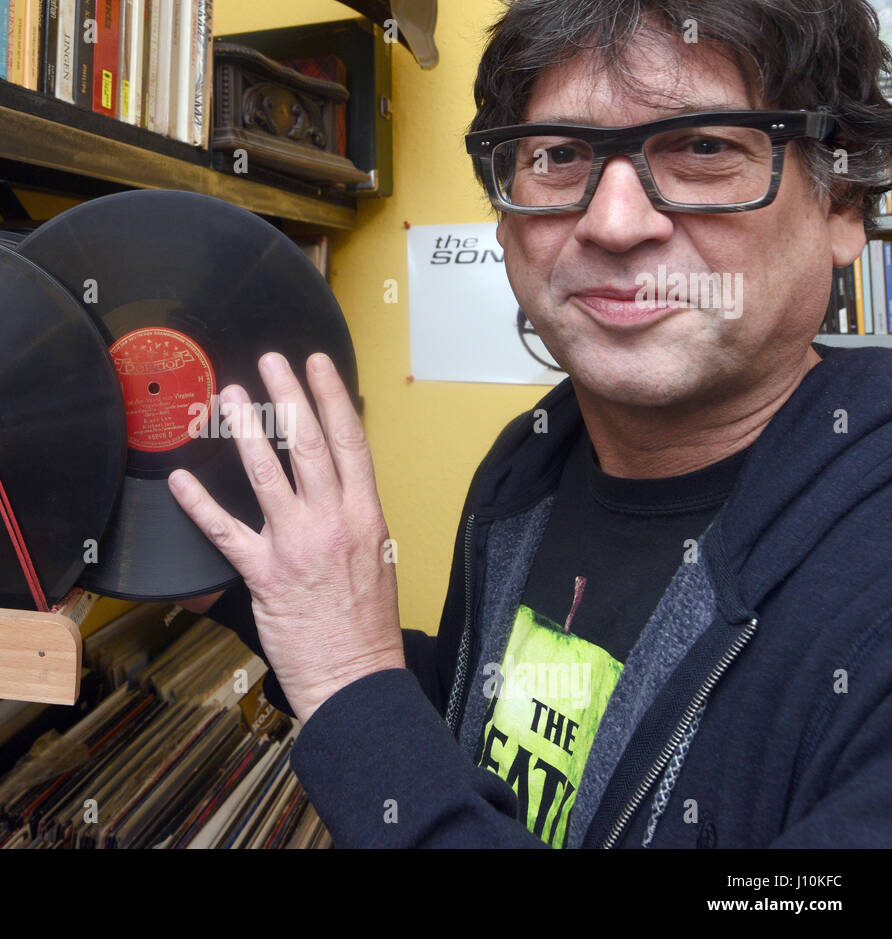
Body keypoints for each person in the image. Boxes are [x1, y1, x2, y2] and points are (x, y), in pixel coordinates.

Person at [165, 0, 892, 848]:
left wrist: (348, 687)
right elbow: (491, 718)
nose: (614, 223)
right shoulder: (531, 462)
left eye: (704, 146)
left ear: (842, 200)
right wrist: (255, 596)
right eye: (558, 156)